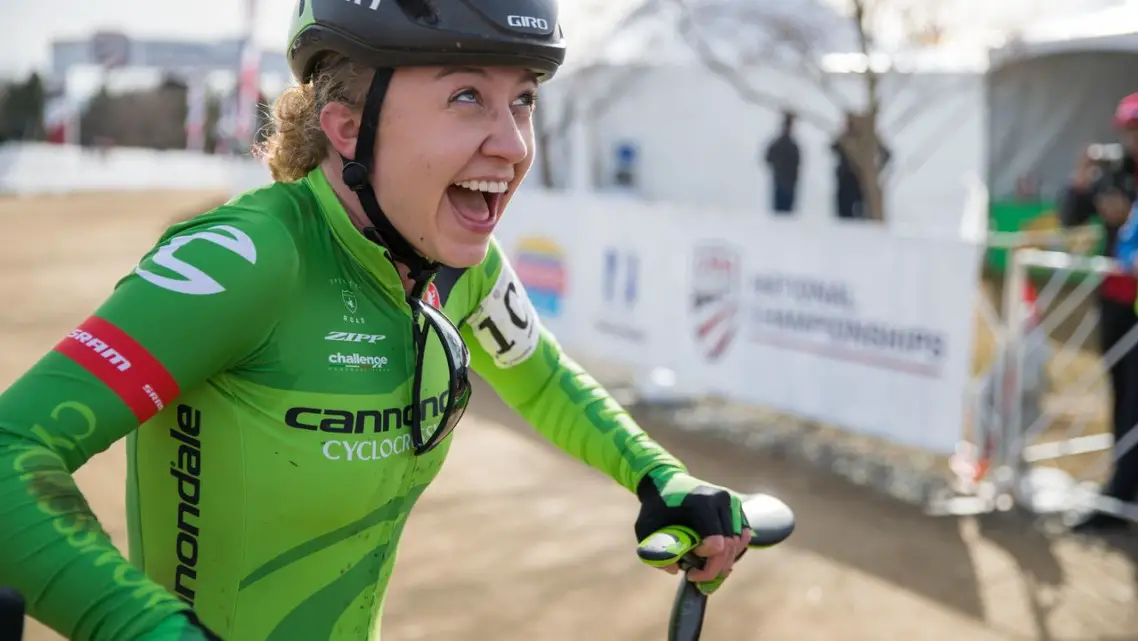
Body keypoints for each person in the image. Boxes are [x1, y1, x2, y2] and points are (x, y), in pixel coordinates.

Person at [0, 2, 754, 640]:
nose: (514, 143)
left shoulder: (453, 262)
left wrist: (657, 472)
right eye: (467, 96)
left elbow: (544, 379)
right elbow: (10, 454)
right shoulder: (251, 259)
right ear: (346, 126)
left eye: (522, 97)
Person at [1059, 92, 1138, 533]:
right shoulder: (1115, 175)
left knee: (1135, 401)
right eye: (1130, 131)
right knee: (1121, 391)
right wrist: (1081, 176)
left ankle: (1119, 496)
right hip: (1115, 300)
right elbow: (1070, 215)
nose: (1135, 139)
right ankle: (1122, 488)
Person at [831, 112, 891, 220]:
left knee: (859, 209)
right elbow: (833, 147)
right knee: (845, 210)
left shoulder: (868, 138)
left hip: (860, 179)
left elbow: (886, 154)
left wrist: (876, 169)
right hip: (846, 178)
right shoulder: (846, 139)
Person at [763, 110, 801, 214]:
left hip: (787, 181)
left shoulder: (790, 145)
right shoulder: (783, 144)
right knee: (782, 211)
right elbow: (767, 158)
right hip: (782, 180)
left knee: (784, 211)